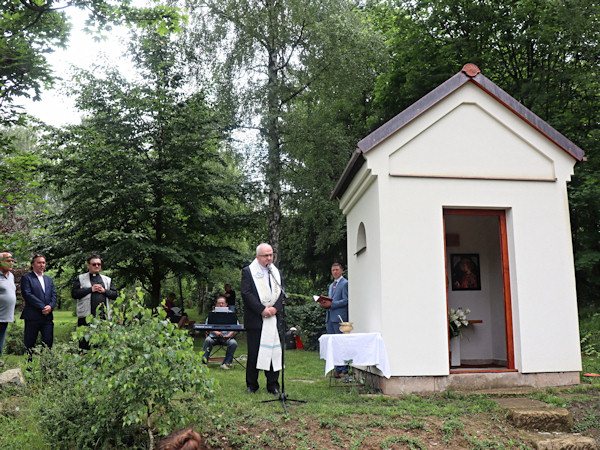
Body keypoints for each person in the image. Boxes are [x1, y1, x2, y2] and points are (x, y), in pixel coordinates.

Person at [241, 243, 283, 395]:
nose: (269, 258)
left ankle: (273, 385)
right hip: (256, 320)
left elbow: (281, 293)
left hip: (272, 318)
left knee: (273, 352)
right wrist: (261, 310)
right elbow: (246, 293)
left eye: (271, 255)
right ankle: (252, 385)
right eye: (266, 255)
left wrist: (275, 308)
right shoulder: (248, 271)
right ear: (257, 257)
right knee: (254, 353)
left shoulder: (276, 272)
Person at [71, 254, 118, 349]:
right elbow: (74, 294)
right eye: (94, 264)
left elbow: (115, 295)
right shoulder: (81, 278)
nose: (97, 266)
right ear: (88, 265)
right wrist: (90, 290)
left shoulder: (107, 280)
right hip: (86, 317)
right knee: (84, 345)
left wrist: (104, 291)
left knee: (102, 346)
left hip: (103, 319)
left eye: (99, 264)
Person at [20, 254, 57, 356]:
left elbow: (53, 295)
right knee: (30, 344)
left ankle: (46, 366)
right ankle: (29, 367)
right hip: (33, 316)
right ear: (33, 264)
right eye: (39, 262)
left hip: (47, 317)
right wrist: (42, 307)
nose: (42, 265)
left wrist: (50, 306)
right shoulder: (27, 278)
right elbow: (27, 294)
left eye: (43, 263)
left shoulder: (48, 279)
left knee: (48, 342)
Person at [201, 296, 238, 369]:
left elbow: (236, 326)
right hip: (213, 337)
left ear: (226, 304)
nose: (221, 305)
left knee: (233, 343)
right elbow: (207, 326)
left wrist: (229, 335)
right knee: (207, 340)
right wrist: (216, 332)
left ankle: (226, 363)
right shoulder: (212, 314)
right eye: (219, 303)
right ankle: (204, 362)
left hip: (227, 337)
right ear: (216, 304)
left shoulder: (231, 314)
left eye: (222, 303)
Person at [326, 262, 349, 377]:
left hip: (340, 318)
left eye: (336, 270)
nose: (334, 272)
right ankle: (337, 368)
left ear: (341, 271)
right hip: (330, 318)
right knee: (334, 345)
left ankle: (344, 369)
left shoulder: (345, 284)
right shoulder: (331, 285)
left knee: (341, 344)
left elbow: (346, 300)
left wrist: (332, 304)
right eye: (333, 270)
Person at [0, 252, 17, 355]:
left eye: (12, 261)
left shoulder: (11, 276)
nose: (11, 263)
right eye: (8, 261)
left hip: (5, 317)